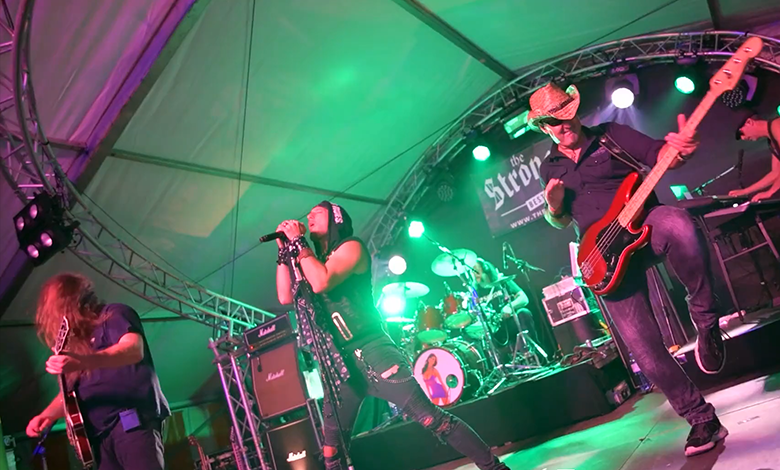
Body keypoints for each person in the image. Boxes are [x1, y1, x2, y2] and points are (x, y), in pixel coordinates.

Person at [531, 82, 727, 457]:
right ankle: (701, 420)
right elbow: (560, 220)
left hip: (644, 224)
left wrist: (678, 151)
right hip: (603, 255)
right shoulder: (549, 167)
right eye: (553, 122)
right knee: (645, 351)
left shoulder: (610, 136)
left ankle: (705, 320)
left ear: (576, 111)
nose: (563, 125)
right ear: (543, 127)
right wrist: (553, 207)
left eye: (567, 115)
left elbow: (659, 154)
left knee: (678, 224)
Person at [275, 201, 509, 470]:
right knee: (331, 451)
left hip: (373, 351)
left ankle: (495, 468)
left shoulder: (351, 247)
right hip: (339, 365)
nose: (309, 216)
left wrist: (299, 242)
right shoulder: (311, 261)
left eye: (317, 212)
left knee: (433, 419)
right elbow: (285, 296)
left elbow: (322, 282)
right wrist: (283, 252)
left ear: (335, 219)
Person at [26, 273, 169, 470]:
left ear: (70, 301)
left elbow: (133, 350)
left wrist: (82, 361)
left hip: (130, 421)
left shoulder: (113, 314)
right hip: (98, 438)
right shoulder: (78, 342)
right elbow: (71, 396)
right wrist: (47, 415)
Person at [729, 114, 780, 201]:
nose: (743, 138)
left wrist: (770, 192)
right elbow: (775, 173)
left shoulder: (776, 126)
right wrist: (745, 191)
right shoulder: (772, 141)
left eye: (741, 133)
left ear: (749, 122)